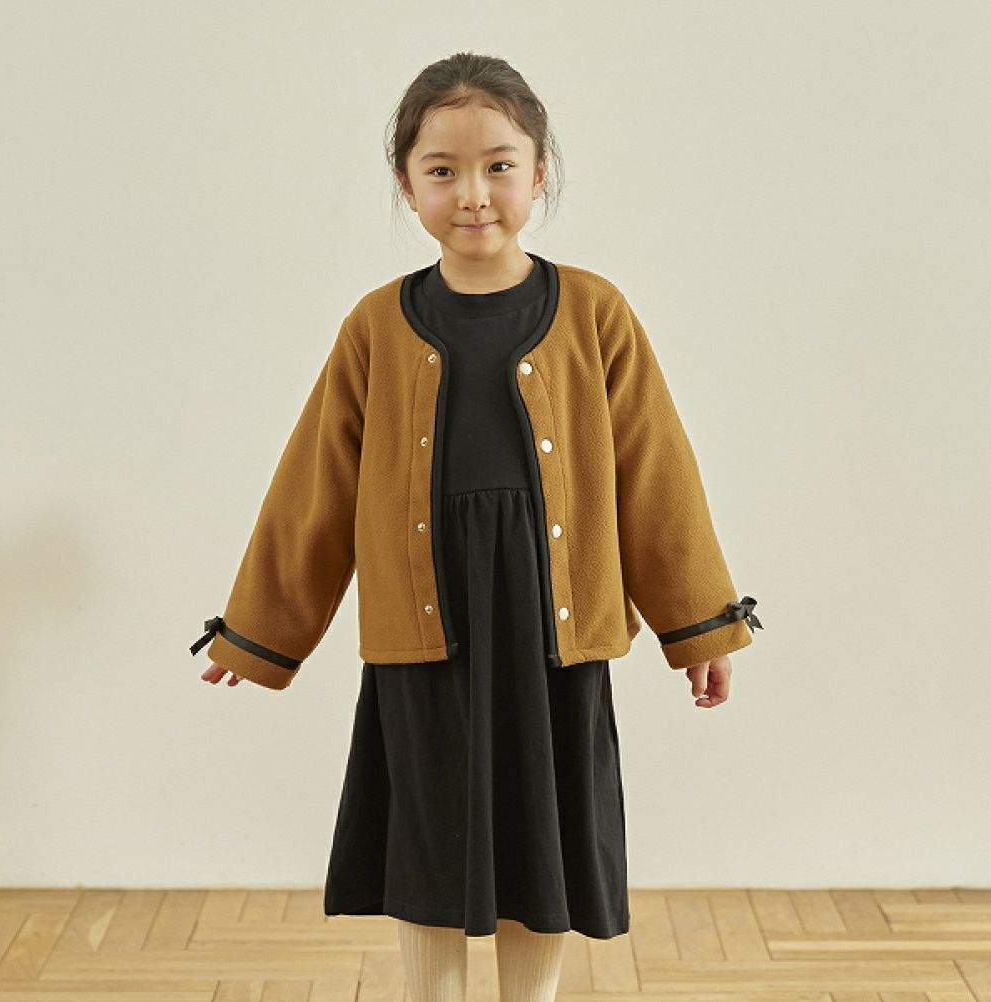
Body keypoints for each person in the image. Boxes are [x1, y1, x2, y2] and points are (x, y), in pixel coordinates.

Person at [192, 51, 762, 1002]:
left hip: (552, 633)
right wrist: (259, 631)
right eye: (442, 169)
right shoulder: (376, 325)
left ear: (540, 172)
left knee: (541, 844)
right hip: (427, 634)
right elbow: (315, 488)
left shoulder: (596, 312)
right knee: (428, 838)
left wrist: (699, 627)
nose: (473, 193)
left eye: (499, 165)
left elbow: (655, 476)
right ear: (406, 183)